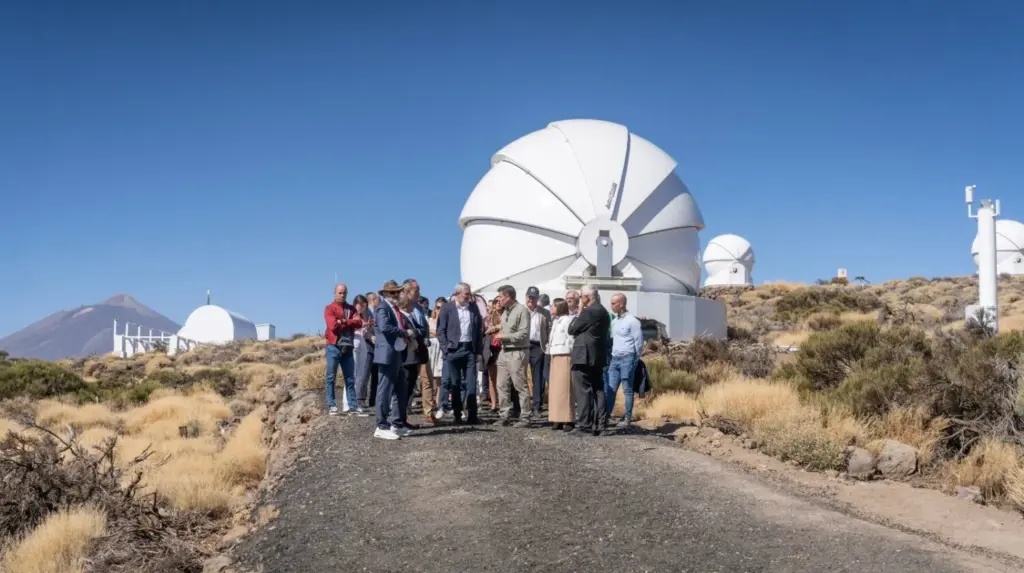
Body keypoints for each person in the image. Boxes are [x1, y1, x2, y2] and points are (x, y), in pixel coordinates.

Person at [436, 282, 484, 424]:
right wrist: (445, 348)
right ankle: (457, 415)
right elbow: (441, 330)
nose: (469, 297)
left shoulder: (473, 308)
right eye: (466, 294)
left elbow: (478, 330)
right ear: (457, 294)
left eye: (469, 294)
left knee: (471, 383)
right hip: (454, 350)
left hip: (469, 349)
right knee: (455, 384)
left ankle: (472, 415)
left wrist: (479, 351)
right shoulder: (447, 308)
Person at [372, 280, 413, 440]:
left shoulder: (393, 308)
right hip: (387, 354)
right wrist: (405, 333)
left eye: (398, 292)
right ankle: (381, 426)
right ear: (386, 294)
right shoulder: (383, 308)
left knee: (401, 389)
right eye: (393, 292)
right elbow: (385, 327)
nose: (397, 295)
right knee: (385, 390)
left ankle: (396, 424)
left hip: (395, 353)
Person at [567, 284, 611, 436]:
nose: (580, 300)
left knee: (583, 390)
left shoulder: (589, 312)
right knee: (598, 390)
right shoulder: (604, 311)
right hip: (597, 355)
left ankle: (585, 425)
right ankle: (600, 424)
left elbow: (571, 330)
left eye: (581, 297)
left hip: (584, 355)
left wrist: (579, 313)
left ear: (586, 297)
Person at [494, 284, 533, 427]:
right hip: (504, 352)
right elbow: (506, 326)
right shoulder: (505, 312)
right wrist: (496, 328)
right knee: (501, 385)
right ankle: (504, 415)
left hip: (517, 351)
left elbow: (523, 332)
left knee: (520, 385)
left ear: (508, 297)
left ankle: (525, 417)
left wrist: (504, 336)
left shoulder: (522, 310)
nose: (499, 300)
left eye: (501, 297)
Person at [323, 284, 364, 416]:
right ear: (334, 293)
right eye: (340, 293)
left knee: (350, 378)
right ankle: (332, 405)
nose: (342, 295)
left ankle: (352, 406)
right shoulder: (329, 308)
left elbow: (359, 323)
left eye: (344, 293)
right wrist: (348, 321)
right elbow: (333, 326)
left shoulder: (351, 308)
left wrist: (343, 321)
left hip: (348, 347)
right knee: (331, 376)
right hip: (333, 346)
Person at [605, 293, 644, 428]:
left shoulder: (633, 321)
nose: (612, 306)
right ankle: (606, 417)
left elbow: (639, 342)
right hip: (615, 359)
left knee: (627, 389)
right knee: (610, 389)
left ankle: (627, 419)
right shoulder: (614, 321)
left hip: (628, 358)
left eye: (614, 303)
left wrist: (635, 358)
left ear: (621, 304)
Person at [402, 279, 435, 424]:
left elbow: (424, 327)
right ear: (408, 291)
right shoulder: (402, 308)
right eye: (416, 290)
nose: (419, 293)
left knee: (427, 381)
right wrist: (417, 333)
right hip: (409, 350)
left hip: (421, 348)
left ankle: (428, 413)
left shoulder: (419, 307)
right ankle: (402, 415)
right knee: (407, 383)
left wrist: (425, 336)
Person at [546, 298, 575, 431]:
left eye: (553, 306)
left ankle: (568, 419)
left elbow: (571, 339)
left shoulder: (567, 321)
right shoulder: (556, 321)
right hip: (555, 354)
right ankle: (557, 417)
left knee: (565, 388)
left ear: (559, 307)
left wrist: (569, 353)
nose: (551, 308)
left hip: (564, 355)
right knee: (555, 389)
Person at [525, 286, 550, 414]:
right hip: (523, 345)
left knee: (538, 377)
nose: (531, 300)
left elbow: (549, 330)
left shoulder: (544, 313)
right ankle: (522, 405)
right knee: (520, 376)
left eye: (533, 298)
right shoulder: (522, 311)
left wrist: (546, 346)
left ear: (537, 299)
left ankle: (536, 405)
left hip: (538, 346)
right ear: (526, 297)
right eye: (529, 297)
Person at [349, 294, 372, 417]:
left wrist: (368, 329)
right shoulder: (352, 314)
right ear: (356, 304)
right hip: (354, 342)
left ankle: (355, 403)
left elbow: (365, 332)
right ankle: (350, 404)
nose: (362, 308)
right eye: (361, 305)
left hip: (362, 342)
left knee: (360, 375)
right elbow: (350, 326)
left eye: (364, 306)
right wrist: (363, 325)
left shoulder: (363, 316)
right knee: (353, 374)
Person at [481, 297, 503, 413]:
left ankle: (503, 403)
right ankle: (494, 404)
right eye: (496, 302)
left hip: (503, 347)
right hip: (492, 348)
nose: (499, 303)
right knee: (492, 378)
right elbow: (484, 332)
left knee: (503, 378)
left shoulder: (506, 315)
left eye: (500, 301)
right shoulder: (488, 318)